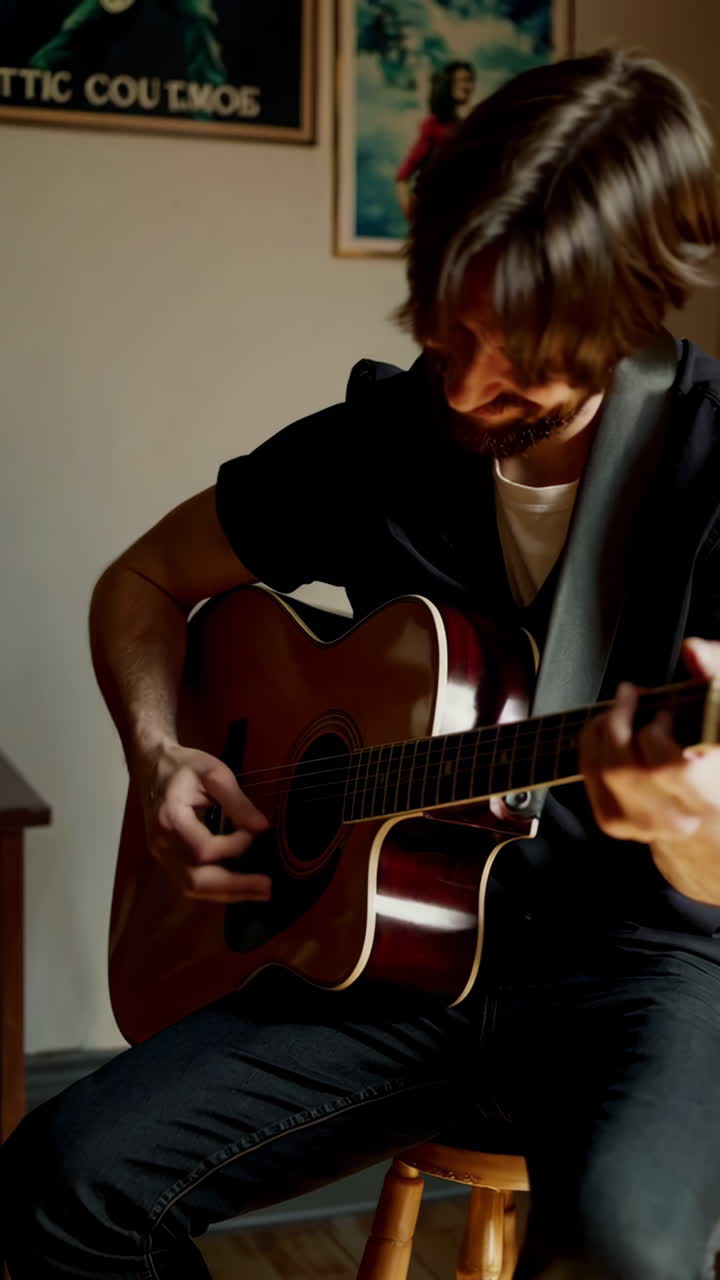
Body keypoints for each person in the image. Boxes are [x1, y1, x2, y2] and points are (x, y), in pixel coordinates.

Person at [4, 47, 720, 1280]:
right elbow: (141, 580)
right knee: (60, 1184)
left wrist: (688, 827)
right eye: (448, 329)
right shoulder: (390, 435)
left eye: (519, 355)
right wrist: (162, 749)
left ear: (629, 308)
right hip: (396, 967)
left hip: (641, 968)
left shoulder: (709, 474)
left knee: (624, 1250)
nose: (465, 382)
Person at [396, 60, 476, 217]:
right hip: (436, 207)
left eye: (469, 80)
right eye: (459, 80)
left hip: (466, 208)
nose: (466, 86)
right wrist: (411, 217)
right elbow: (403, 176)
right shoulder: (434, 125)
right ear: (448, 84)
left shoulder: (476, 121)